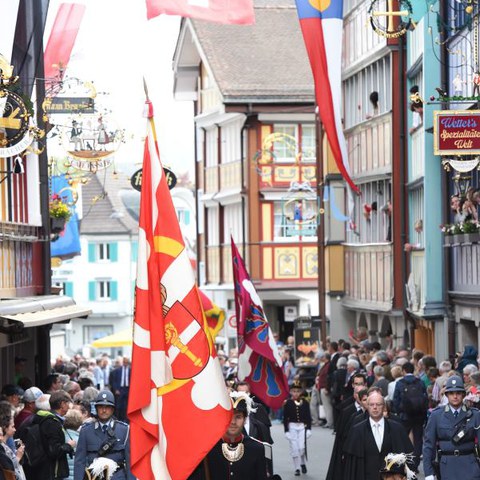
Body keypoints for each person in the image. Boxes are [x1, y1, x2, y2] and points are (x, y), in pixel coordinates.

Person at [188, 391, 267, 480]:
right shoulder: (208, 449)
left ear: (245, 420)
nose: (233, 422)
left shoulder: (257, 448)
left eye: (238, 417)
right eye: (229, 416)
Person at [343, 390, 413, 480]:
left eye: (378, 404)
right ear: (367, 407)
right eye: (371, 405)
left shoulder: (396, 428)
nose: (375, 407)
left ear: (384, 407)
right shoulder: (357, 430)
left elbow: (408, 457)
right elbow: (351, 465)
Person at [423, 375, 480, 480]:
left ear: (463, 395)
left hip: (470, 466)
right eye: (451, 393)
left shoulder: (475, 415)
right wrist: (428, 472)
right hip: (446, 467)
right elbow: (428, 445)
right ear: (446, 395)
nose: (455, 396)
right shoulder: (436, 415)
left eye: (458, 393)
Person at [73, 390, 134, 480]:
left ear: (112, 409)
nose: (104, 410)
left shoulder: (124, 430)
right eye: (101, 407)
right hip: (94, 477)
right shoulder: (86, 431)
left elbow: (130, 462)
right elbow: (79, 462)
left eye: (107, 407)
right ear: (96, 409)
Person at [28, 390, 76, 480]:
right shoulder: (52, 423)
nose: (69, 407)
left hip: (45, 471)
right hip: (51, 473)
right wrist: (69, 445)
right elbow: (54, 451)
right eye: (68, 403)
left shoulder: (49, 420)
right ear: (62, 404)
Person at [392, 362, 428, 469]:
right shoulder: (420, 382)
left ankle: (403, 462)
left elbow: (396, 400)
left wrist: (399, 412)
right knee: (418, 440)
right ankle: (415, 464)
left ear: (403, 371)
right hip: (419, 415)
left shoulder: (400, 383)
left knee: (402, 438)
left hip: (404, 415)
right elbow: (425, 398)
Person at [283, 381, 312, 476]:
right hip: (292, 427)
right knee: (294, 448)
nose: (296, 393)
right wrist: (286, 431)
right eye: (294, 391)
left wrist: (308, 429)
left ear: (301, 392)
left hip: (302, 427)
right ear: (291, 392)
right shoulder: (288, 403)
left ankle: (302, 462)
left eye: (298, 391)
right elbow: (285, 418)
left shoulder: (305, 403)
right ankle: (297, 468)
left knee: (302, 447)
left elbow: (308, 417)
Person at [110, 357, 130, 422]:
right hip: (120, 389)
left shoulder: (131, 370)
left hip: (128, 389)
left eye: (127, 362)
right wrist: (116, 389)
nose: (125, 363)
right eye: (124, 362)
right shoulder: (118, 370)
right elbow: (114, 381)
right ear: (123, 362)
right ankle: (119, 419)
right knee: (119, 405)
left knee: (126, 405)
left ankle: (126, 419)